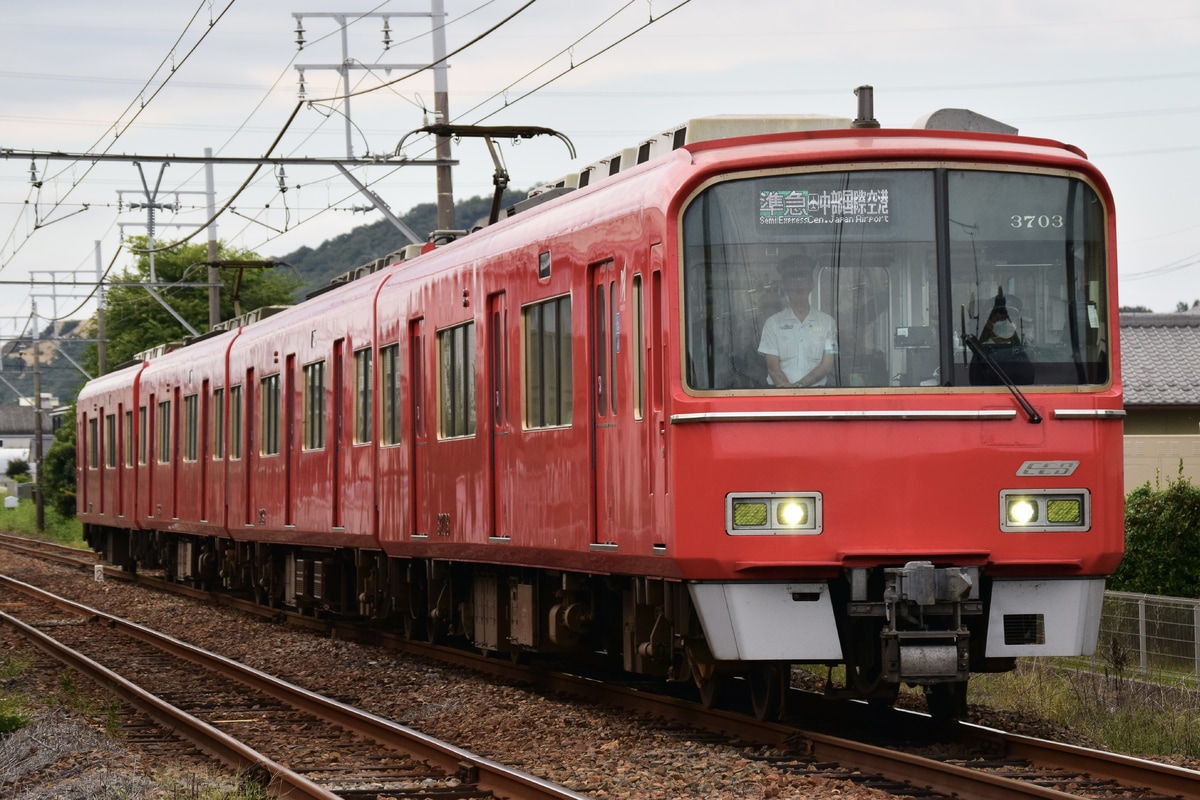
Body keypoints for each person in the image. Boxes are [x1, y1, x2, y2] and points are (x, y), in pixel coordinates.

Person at [758, 261, 838, 387]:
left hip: (817, 394)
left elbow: (827, 365)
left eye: (803, 279)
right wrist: (789, 391)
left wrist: (801, 385)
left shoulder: (828, 323)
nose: (798, 285)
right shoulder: (773, 323)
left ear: (811, 284)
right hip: (780, 394)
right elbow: (773, 367)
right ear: (785, 287)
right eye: (792, 281)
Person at [969, 289, 1034, 384]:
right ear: (989, 321)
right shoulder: (981, 353)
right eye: (1000, 317)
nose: (1006, 321)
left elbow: (1029, 382)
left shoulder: (1022, 351)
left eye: (1011, 317)